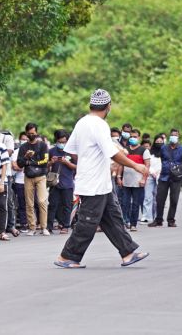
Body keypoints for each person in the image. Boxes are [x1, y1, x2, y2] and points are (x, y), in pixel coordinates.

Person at [55, 89, 149, 269]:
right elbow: (113, 153)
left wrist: (86, 162)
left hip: (100, 182)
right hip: (93, 184)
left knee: (113, 218)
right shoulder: (99, 124)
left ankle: (128, 253)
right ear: (108, 106)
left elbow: (71, 150)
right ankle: (67, 256)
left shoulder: (82, 122)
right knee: (88, 222)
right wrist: (136, 165)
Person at [149, 129, 182, 227]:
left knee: (174, 199)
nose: (173, 137)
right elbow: (162, 159)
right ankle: (158, 220)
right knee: (160, 199)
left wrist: (180, 174)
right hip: (164, 176)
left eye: (175, 135)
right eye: (172, 135)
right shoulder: (163, 148)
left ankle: (171, 220)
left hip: (176, 178)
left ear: (178, 136)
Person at [17, 122, 50, 236]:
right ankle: (32, 227)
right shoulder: (23, 147)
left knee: (42, 201)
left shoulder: (43, 145)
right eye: (29, 133)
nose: (32, 135)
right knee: (29, 203)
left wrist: (31, 162)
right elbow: (19, 164)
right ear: (26, 133)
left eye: (33, 133)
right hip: (28, 176)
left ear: (36, 133)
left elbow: (45, 161)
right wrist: (26, 157)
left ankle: (44, 227)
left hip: (41, 176)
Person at [117, 129, 150, 231]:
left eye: (135, 137)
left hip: (138, 182)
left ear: (139, 138)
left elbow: (147, 166)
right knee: (125, 203)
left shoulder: (144, 150)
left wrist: (144, 179)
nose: (132, 138)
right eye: (131, 136)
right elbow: (121, 164)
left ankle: (133, 224)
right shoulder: (125, 150)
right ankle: (124, 222)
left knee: (135, 204)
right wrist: (119, 177)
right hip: (126, 181)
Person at [47, 130, 77, 234]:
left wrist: (67, 163)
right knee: (52, 205)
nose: (61, 144)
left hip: (67, 183)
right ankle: (49, 226)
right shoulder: (51, 151)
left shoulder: (72, 153)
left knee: (67, 205)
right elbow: (45, 166)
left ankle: (65, 226)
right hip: (54, 183)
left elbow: (77, 167)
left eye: (64, 141)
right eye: (59, 141)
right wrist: (51, 162)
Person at [141, 136, 163, 223]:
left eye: (161, 141)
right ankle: (146, 216)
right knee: (147, 197)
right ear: (154, 142)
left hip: (160, 177)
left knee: (158, 198)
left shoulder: (165, 152)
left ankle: (157, 217)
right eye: (157, 141)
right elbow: (147, 163)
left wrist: (159, 172)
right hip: (150, 175)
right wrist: (152, 172)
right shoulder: (149, 153)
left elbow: (165, 164)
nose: (159, 143)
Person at [11, 132, 29, 232]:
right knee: (22, 204)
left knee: (32, 203)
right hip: (19, 181)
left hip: (31, 180)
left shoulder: (33, 151)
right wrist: (26, 165)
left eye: (26, 139)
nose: (24, 141)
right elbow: (15, 166)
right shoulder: (16, 152)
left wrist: (22, 166)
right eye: (23, 139)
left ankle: (32, 223)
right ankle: (23, 224)